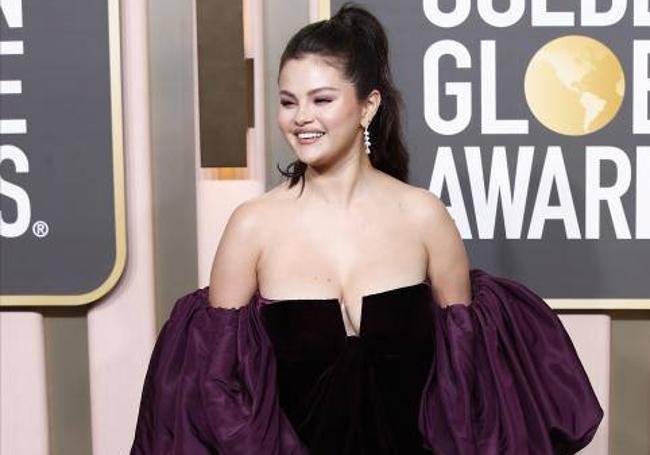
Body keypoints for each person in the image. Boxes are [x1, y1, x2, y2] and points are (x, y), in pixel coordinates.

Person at [131, 4, 603, 454]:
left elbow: (466, 392)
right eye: (288, 101)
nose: (301, 118)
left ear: (367, 106)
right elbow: (218, 393)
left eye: (322, 99)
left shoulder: (425, 217)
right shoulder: (252, 226)